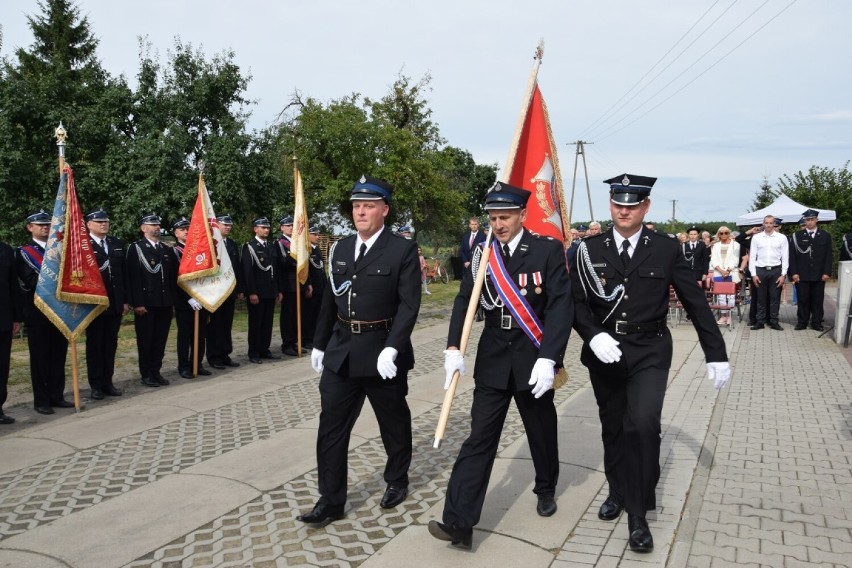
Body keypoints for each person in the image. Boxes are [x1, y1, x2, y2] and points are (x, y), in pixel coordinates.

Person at [570, 173, 730, 554]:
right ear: (610, 206)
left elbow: (693, 299)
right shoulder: (587, 249)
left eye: (632, 205)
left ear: (645, 207)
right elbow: (574, 303)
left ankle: (638, 516)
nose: (624, 211)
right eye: (618, 204)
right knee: (613, 426)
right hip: (605, 350)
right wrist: (592, 334)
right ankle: (618, 491)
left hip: (650, 348)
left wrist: (716, 352)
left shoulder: (665, 248)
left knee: (642, 425)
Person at [429, 182, 572, 551]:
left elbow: (560, 307)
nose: (498, 223)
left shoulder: (545, 250)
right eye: (493, 217)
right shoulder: (482, 252)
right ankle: (459, 521)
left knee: (540, 429)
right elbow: (465, 301)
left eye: (505, 217)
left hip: (532, 356)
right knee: (479, 438)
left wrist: (550, 356)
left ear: (522, 215)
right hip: (493, 356)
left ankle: (545, 487)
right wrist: (452, 347)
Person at [298, 175, 421, 528]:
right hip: (342, 353)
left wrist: (393, 348)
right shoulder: (339, 248)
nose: (360, 212)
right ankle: (331, 500)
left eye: (368, 206)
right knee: (331, 429)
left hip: (383, 353)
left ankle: (397, 479)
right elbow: (329, 300)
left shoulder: (402, 249)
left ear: (384, 209)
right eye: (356, 206)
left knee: (393, 423)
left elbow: (409, 305)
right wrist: (319, 343)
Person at [17, 209, 71, 414]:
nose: (45, 227)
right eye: (40, 225)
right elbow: (31, 282)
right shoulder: (23, 252)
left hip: (60, 311)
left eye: (47, 224)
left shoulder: (60, 250)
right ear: (30, 228)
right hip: (38, 312)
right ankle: (41, 400)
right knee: (40, 358)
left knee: (58, 355)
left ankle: (57, 395)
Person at [126, 213, 176, 387]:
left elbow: (171, 278)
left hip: (164, 302)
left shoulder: (166, 249)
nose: (156, 227)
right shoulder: (136, 248)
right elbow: (134, 278)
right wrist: (137, 303)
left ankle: (156, 371)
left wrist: (172, 300)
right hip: (146, 303)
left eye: (158, 224)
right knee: (146, 340)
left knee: (160, 339)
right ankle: (146, 374)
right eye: (152, 224)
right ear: (143, 228)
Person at [84, 209, 128, 400]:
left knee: (110, 345)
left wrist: (125, 300)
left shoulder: (116, 243)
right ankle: (95, 385)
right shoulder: (84, 246)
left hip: (115, 302)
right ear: (89, 224)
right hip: (94, 303)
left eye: (106, 221)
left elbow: (123, 275)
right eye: (99, 221)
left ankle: (107, 382)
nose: (104, 224)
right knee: (95, 346)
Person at [172, 217, 212, 378]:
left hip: (201, 299)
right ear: (175, 233)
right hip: (184, 302)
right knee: (185, 335)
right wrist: (188, 298)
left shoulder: (198, 252)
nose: (186, 231)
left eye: (188, 229)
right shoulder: (174, 252)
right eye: (182, 229)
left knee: (200, 334)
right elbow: (174, 279)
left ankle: (197, 363)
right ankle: (184, 367)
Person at [242, 217, 282, 364]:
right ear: (255, 229)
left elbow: (275, 270)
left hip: (270, 291)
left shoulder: (271, 247)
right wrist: (252, 292)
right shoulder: (249, 247)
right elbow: (248, 272)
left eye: (268, 227)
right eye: (263, 227)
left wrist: (278, 290)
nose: (266, 230)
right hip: (257, 292)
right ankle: (254, 352)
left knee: (267, 323)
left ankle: (264, 349)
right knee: (256, 323)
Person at [206, 214, 242, 369]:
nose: (228, 227)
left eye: (229, 224)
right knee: (215, 325)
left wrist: (240, 289)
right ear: (216, 225)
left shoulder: (232, 244)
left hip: (229, 290)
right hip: (215, 291)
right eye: (224, 224)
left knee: (226, 324)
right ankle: (213, 356)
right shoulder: (210, 244)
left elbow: (237, 268)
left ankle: (225, 354)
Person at [789, 209, 833, 331]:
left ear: (816, 220)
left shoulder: (825, 235)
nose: (809, 222)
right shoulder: (797, 236)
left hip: (819, 274)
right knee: (803, 299)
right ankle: (802, 322)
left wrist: (827, 272)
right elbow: (792, 257)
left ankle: (817, 322)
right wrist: (794, 273)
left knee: (817, 300)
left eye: (812, 219)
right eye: (807, 220)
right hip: (802, 274)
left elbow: (828, 255)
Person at [748, 215, 789, 331]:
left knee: (775, 297)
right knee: (760, 298)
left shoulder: (782, 238)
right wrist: (753, 274)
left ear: (774, 224)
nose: (769, 225)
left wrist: (783, 274)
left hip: (776, 270)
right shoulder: (756, 238)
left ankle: (774, 321)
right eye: (766, 223)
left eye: (771, 223)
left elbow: (785, 257)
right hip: (760, 270)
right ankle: (760, 321)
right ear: (763, 223)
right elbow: (752, 257)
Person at [277, 215, 308, 356]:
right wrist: (293, 253)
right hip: (288, 285)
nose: (291, 228)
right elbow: (281, 264)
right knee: (288, 316)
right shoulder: (280, 243)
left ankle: (296, 341)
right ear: (282, 228)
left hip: (299, 282)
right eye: (288, 225)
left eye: (292, 225)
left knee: (298, 315)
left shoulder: (298, 242)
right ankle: (287, 343)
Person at [1, 239, 23, 423]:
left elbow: (13, 286)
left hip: (3, 319)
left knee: (2, 366)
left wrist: (16, 317)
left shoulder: (6, 250)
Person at [708, 226, 741, 326]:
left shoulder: (735, 245)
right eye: (721, 233)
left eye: (726, 232)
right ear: (718, 234)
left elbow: (735, 259)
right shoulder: (716, 245)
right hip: (719, 272)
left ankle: (730, 316)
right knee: (721, 295)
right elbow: (713, 260)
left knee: (731, 295)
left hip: (731, 272)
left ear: (729, 233)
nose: (723, 235)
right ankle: (723, 316)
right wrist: (721, 270)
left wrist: (727, 270)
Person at [301, 225, 326, 348]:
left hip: (320, 287)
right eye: (315, 234)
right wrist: (307, 285)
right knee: (308, 315)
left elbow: (321, 269)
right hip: (311, 288)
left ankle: (316, 337)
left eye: (318, 234)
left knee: (318, 315)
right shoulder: (306, 250)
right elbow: (305, 271)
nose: (318, 237)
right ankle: (306, 339)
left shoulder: (317, 250)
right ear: (308, 235)